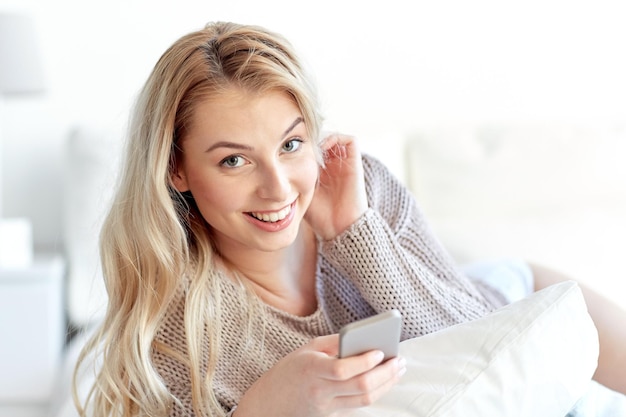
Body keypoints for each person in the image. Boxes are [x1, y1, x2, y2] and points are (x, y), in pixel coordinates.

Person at [73, 21, 626, 417]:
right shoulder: (178, 327)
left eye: (291, 143)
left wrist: (354, 234)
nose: (279, 186)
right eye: (234, 160)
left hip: (509, 292)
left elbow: (481, 344)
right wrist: (259, 409)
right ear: (176, 170)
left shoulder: (359, 186)